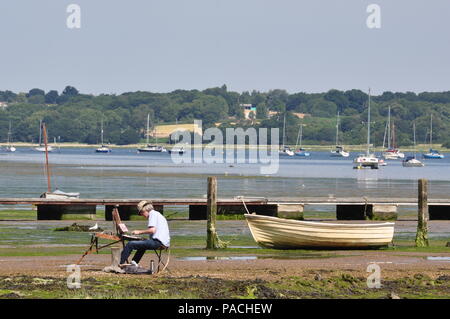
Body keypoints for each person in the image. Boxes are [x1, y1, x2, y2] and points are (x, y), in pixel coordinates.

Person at [119, 200, 170, 267]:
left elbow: (152, 230)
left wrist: (139, 232)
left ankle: (119, 264)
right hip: (162, 242)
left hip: (158, 243)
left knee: (130, 244)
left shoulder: (152, 214)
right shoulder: (156, 214)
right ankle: (134, 262)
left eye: (142, 213)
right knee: (142, 243)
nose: (142, 215)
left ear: (145, 210)